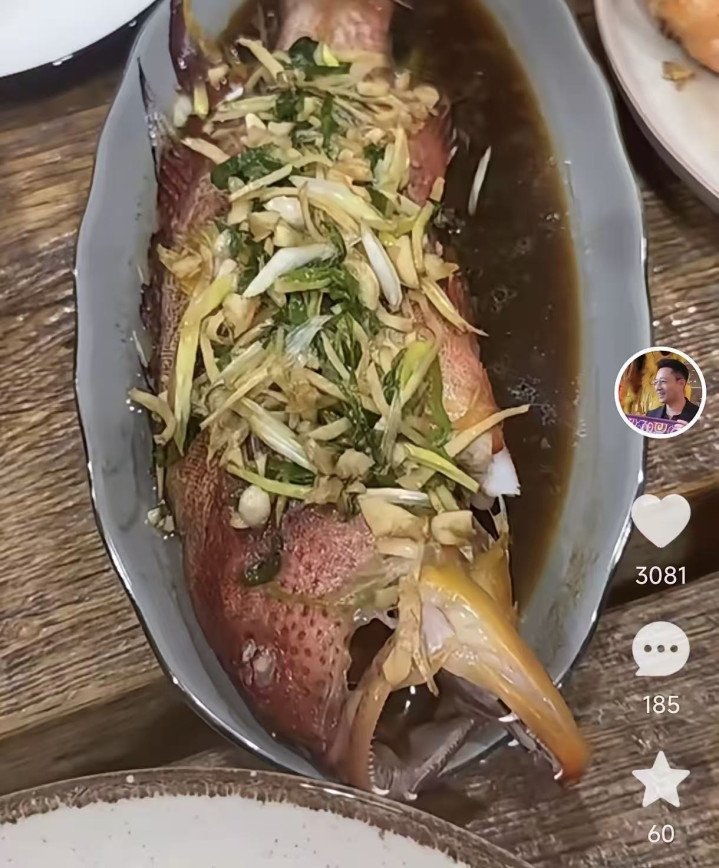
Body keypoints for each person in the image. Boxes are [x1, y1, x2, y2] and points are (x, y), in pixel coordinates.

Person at [645, 359, 699, 426]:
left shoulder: (697, 416)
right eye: (656, 382)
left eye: (663, 381)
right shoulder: (651, 416)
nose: (658, 388)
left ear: (681, 383)